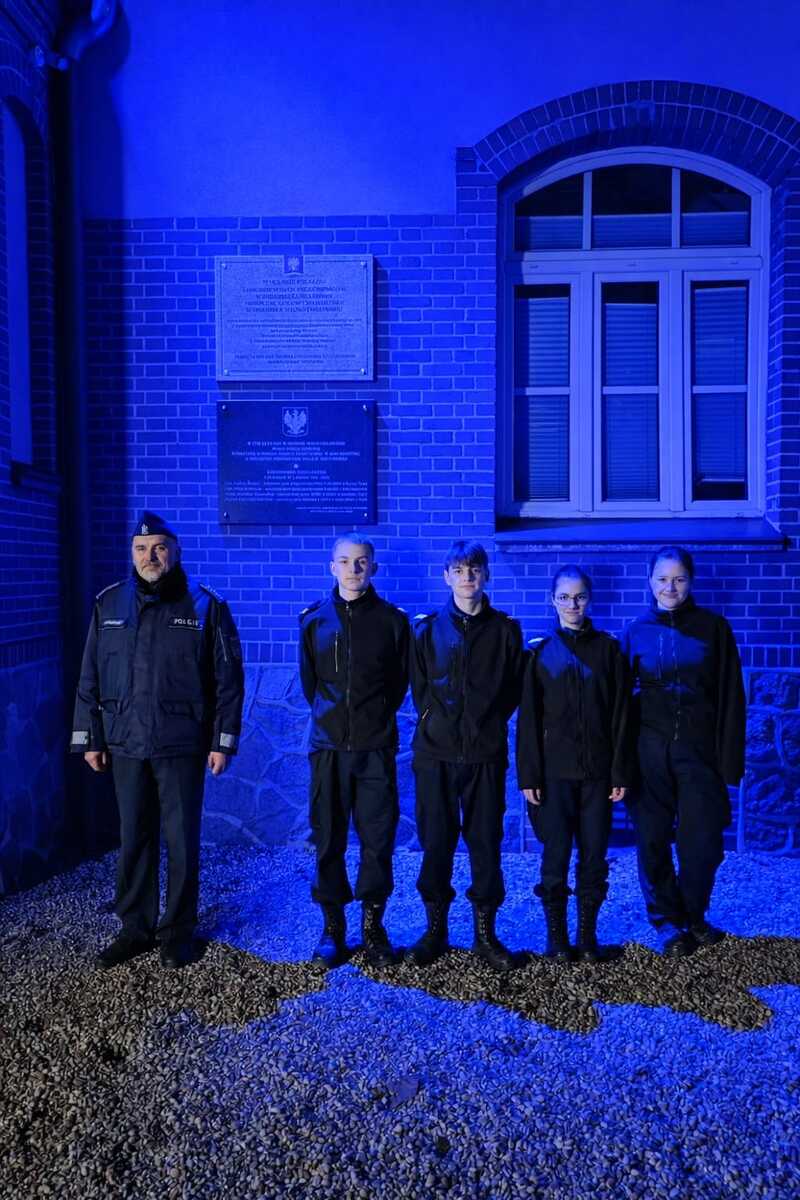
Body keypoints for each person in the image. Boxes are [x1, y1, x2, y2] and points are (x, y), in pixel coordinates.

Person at [71, 512, 244, 970]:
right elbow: (90, 675)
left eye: (160, 548)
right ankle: (135, 928)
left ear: (176, 553)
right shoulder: (109, 603)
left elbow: (228, 681)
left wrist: (222, 741)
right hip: (125, 742)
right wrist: (89, 738)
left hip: (181, 743)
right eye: (142, 549)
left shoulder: (205, 606)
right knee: (134, 838)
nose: (151, 556)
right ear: (133, 554)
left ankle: (178, 932)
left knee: (182, 842)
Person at [621, 546, 746, 957]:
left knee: (703, 843)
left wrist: (729, 762)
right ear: (650, 581)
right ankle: (667, 923)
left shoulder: (714, 629)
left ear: (690, 580)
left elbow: (731, 697)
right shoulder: (635, 632)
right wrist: (619, 766)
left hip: (700, 753)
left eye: (678, 579)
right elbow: (619, 706)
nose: (670, 587)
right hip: (648, 754)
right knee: (652, 841)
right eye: (662, 579)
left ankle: (693, 915)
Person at [409, 539, 524, 971]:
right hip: (435, 755)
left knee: (485, 842)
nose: (467, 577)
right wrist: (436, 723)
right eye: (458, 570)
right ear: (447, 577)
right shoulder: (425, 630)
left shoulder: (505, 630)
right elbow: (419, 688)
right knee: (436, 842)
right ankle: (435, 931)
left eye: (474, 569)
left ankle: (485, 935)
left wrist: (485, 724)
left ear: (486, 575)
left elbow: (511, 690)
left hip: (484, 754)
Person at [299, 534, 409, 968]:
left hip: (374, 748)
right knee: (328, 838)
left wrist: (372, 721)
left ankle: (373, 928)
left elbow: (397, 685)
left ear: (373, 568)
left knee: (377, 840)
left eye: (362, 562)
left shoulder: (392, 622)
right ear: (332, 567)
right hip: (328, 748)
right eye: (344, 561)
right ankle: (332, 928)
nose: (353, 569)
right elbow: (311, 685)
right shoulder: (313, 621)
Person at [516, 566, 632, 963]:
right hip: (553, 775)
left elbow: (621, 716)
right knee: (556, 855)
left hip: (598, 775)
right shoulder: (538, 653)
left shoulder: (609, 651)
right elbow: (528, 720)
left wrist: (619, 771)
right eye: (564, 597)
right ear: (553, 600)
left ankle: (586, 938)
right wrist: (529, 774)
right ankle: (557, 940)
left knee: (594, 857)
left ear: (589, 599)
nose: (572, 604)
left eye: (579, 597)